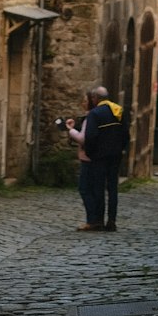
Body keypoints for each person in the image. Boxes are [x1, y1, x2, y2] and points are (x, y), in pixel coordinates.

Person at [80, 84, 129, 232]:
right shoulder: (118, 111)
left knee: (98, 188)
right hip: (115, 155)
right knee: (113, 188)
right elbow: (126, 134)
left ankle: (99, 221)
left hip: (99, 156)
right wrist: (121, 148)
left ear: (95, 98)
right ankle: (112, 220)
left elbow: (91, 136)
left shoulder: (95, 114)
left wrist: (89, 152)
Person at [64, 90, 101, 231]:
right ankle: (96, 219)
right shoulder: (96, 116)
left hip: (88, 158)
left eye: (85, 101)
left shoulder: (91, 117)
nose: (83, 103)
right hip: (95, 158)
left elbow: (82, 138)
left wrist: (70, 131)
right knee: (93, 188)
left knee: (85, 188)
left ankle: (92, 220)